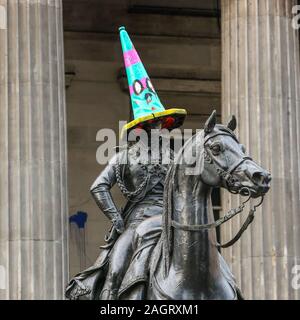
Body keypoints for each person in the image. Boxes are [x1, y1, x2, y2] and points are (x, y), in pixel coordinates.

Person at [65, 26, 186, 300]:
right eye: (157, 123)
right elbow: (99, 187)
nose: (163, 128)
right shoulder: (124, 156)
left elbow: (184, 189)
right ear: (142, 128)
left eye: (163, 123)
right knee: (117, 267)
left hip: (173, 221)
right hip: (137, 222)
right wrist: (116, 219)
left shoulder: (174, 155)